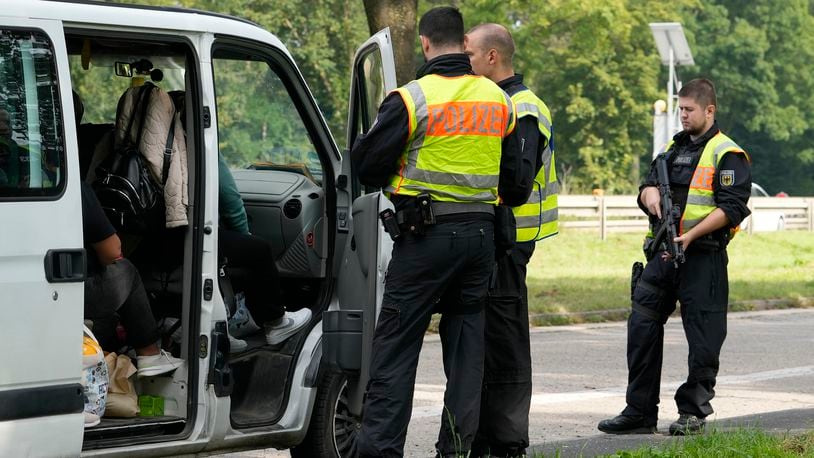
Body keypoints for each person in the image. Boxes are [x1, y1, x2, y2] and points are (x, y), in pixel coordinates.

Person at [351, 7, 531, 457]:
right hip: (480, 242)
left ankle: (379, 452)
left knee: (395, 348)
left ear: (427, 43)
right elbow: (514, 184)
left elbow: (366, 167)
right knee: (467, 354)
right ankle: (455, 451)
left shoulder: (412, 98)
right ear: (463, 45)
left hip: (424, 238)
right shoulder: (498, 100)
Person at [598, 78, 751, 436]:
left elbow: (733, 207)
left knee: (703, 338)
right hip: (663, 255)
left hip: (702, 257)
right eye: (680, 109)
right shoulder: (672, 149)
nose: (682, 116)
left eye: (689, 110)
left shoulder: (728, 153)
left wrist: (692, 234)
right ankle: (638, 412)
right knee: (641, 328)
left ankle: (692, 412)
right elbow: (648, 183)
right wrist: (648, 196)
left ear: (709, 110)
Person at [464, 23, 556, 458]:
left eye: (469, 55)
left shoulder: (522, 107)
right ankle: (484, 437)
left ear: (492, 58)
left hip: (510, 239)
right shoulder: (500, 102)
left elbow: (517, 183)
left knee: (505, 341)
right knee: (486, 338)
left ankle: (506, 441)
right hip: (494, 236)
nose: (465, 62)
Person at [82, 181, 184, 377]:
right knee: (126, 270)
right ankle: (149, 353)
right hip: (71, 289)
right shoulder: (76, 188)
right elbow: (112, 251)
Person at [217, 152, 311, 347]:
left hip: (165, 238)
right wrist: (245, 235)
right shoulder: (199, 140)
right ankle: (276, 322)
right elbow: (230, 199)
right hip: (198, 235)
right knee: (259, 250)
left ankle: (221, 329)